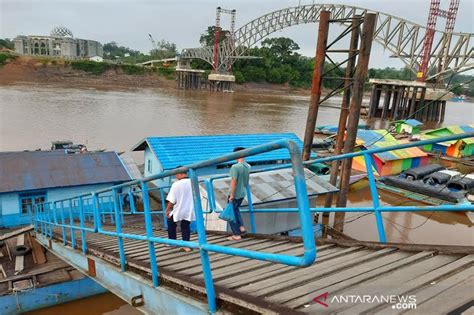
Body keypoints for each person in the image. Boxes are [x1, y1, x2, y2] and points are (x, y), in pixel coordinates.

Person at [165, 167, 195, 252]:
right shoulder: (193, 182)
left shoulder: (176, 184)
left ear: (180, 173)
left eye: (176, 174)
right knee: (185, 225)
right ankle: (186, 246)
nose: (175, 176)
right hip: (189, 208)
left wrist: (167, 210)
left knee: (170, 222)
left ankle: (172, 242)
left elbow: (172, 199)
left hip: (179, 208)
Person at [227, 147, 251, 241]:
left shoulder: (235, 167)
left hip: (235, 193)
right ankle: (241, 228)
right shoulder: (248, 166)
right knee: (236, 210)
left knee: (231, 213)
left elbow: (234, 182)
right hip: (242, 192)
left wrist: (232, 195)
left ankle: (236, 234)